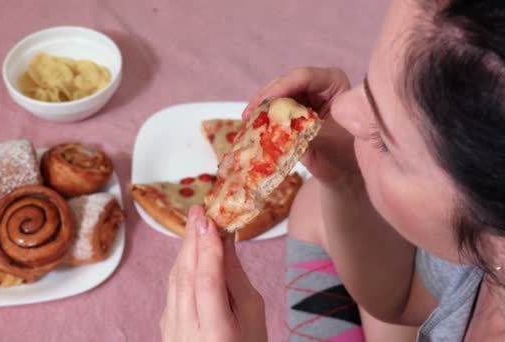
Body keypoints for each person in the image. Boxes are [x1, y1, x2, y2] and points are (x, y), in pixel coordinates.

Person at [159, 0, 505, 341]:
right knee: (313, 205)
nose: (340, 109)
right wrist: (345, 177)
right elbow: (404, 300)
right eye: (368, 86)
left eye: (383, 139)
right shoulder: (476, 257)